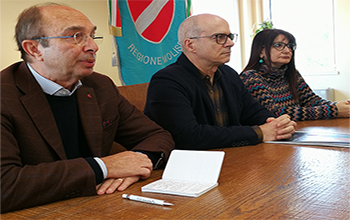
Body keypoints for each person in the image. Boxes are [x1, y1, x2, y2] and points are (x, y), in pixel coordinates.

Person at [1, 3, 174, 213]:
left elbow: (157, 136)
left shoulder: (100, 86)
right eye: (76, 36)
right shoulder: (5, 94)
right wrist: (103, 167)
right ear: (34, 49)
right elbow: (5, 185)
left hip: (101, 206)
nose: (93, 46)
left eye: (92, 35)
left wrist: (136, 165)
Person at [144, 14, 296, 150]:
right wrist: (259, 133)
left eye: (230, 36)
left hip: (230, 156)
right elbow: (189, 136)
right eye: (219, 37)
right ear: (191, 45)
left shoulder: (228, 74)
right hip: (190, 167)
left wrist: (278, 125)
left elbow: (252, 111)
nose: (230, 43)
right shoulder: (166, 81)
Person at [240, 28, 350, 121]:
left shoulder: (292, 73)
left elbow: (311, 101)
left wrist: (339, 105)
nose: (287, 50)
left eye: (289, 46)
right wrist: (334, 110)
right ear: (261, 51)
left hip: (296, 131)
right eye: (279, 45)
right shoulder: (250, 77)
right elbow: (274, 113)